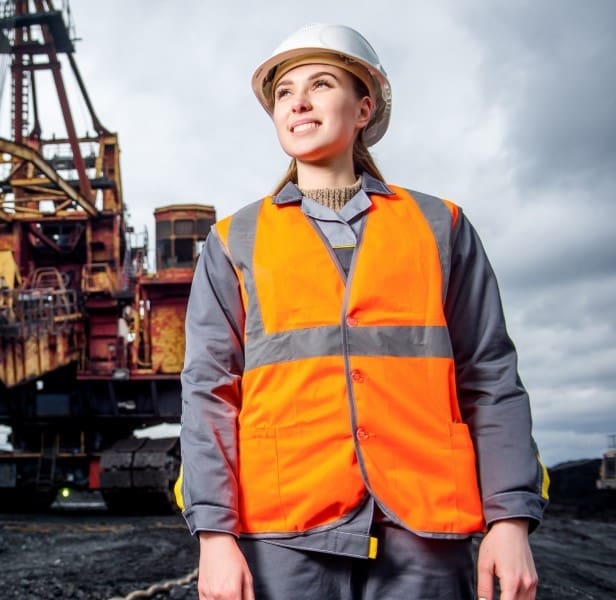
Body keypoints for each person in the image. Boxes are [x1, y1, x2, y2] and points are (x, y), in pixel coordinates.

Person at [179, 23, 549, 600]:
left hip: (423, 524)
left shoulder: (440, 227)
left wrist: (510, 520)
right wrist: (213, 536)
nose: (298, 101)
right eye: (283, 92)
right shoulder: (234, 240)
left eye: (321, 83)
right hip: (285, 529)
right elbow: (209, 393)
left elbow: (491, 378)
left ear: (364, 107)